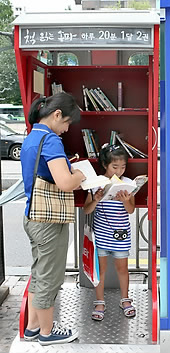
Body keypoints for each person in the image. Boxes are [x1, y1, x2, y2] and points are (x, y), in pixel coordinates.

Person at [21, 93, 85, 345]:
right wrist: (78, 174)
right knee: (50, 277)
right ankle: (47, 333)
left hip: (32, 216)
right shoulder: (51, 140)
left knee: (39, 273)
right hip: (48, 222)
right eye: (67, 123)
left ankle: (32, 328)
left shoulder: (32, 136)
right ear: (57, 115)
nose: (67, 129)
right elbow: (66, 183)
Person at [83, 144, 136, 321]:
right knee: (101, 270)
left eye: (123, 167)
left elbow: (131, 211)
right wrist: (96, 199)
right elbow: (87, 210)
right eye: (115, 167)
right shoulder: (95, 184)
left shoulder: (128, 184)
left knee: (123, 268)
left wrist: (126, 200)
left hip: (121, 233)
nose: (119, 171)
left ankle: (125, 299)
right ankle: (99, 301)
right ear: (105, 165)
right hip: (100, 235)